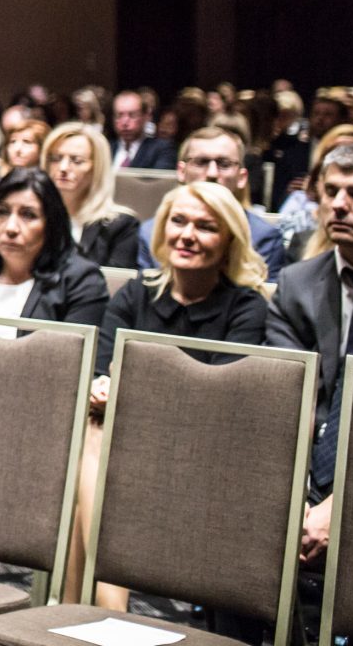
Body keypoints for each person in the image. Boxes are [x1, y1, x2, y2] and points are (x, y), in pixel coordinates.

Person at [64, 182, 269, 608]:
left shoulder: (246, 307)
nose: (187, 235)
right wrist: (103, 385)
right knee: (94, 430)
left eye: (205, 226)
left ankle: (81, 607)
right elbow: (100, 370)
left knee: (97, 440)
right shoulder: (137, 293)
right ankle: (107, 607)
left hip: (201, 454)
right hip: (120, 445)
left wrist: (131, 390)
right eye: (178, 221)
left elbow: (222, 399)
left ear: (229, 237)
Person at [267, 141, 353, 571]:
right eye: (331, 191)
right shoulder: (297, 285)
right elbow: (290, 404)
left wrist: (350, 499)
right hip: (309, 468)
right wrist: (295, 496)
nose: (338, 205)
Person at [0, 168, 109, 327]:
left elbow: (66, 356)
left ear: (51, 224)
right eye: (3, 212)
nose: (11, 228)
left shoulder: (82, 283)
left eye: (28, 215)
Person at [136, 125, 288, 276]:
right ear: (181, 172)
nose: (212, 173)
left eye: (224, 164)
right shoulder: (150, 232)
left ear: (241, 178)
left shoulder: (264, 237)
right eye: (201, 162)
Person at [42, 121, 139, 268]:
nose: (63, 168)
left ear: (97, 168)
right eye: (56, 159)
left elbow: (114, 286)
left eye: (76, 160)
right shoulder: (34, 219)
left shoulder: (120, 226)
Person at [107, 89, 174, 170]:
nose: (124, 122)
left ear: (145, 117)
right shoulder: (106, 149)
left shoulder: (161, 149)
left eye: (132, 115)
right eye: (119, 115)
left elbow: (160, 181)